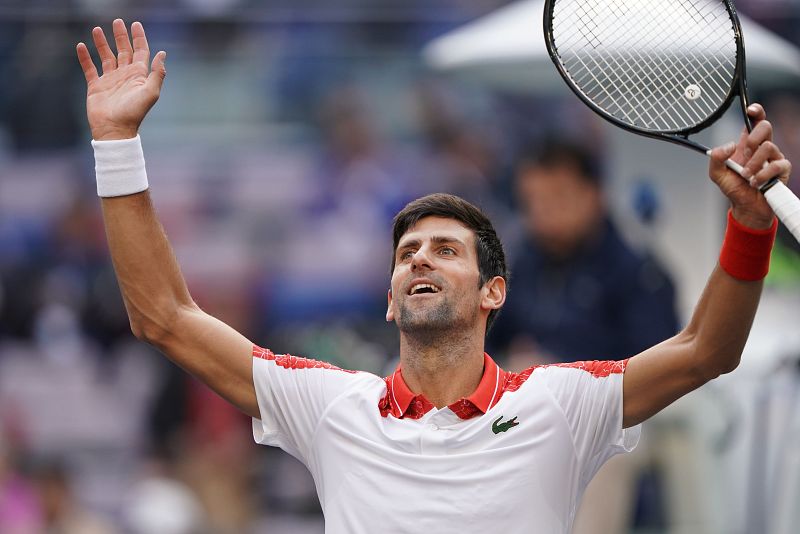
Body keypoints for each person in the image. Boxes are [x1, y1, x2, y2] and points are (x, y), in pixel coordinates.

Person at [75, 20, 792, 533]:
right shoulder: (330, 405)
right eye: (407, 252)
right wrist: (116, 145)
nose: (419, 257)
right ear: (390, 302)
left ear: (493, 293)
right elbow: (163, 316)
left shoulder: (561, 403)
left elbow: (706, 350)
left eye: (446, 249)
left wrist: (751, 227)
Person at [491, 139, 679, 365]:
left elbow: (654, 372)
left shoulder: (639, 275)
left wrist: (560, 373)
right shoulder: (522, 262)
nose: (543, 213)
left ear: (594, 194)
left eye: (558, 198)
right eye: (531, 201)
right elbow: (487, 338)